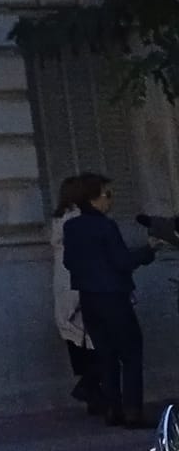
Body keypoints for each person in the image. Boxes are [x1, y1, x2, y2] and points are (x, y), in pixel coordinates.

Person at [62, 173, 158, 429]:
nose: (110, 200)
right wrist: (148, 251)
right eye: (107, 194)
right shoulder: (106, 226)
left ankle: (113, 409)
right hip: (113, 297)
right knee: (131, 353)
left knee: (106, 355)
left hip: (89, 298)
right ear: (93, 199)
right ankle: (132, 411)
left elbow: (69, 262)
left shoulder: (71, 227)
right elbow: (122, 261)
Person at [50, 174, 102, 415]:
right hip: (82, 289)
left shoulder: (59, 220)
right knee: (100, 348)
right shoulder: (80, 221)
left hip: (66, 291)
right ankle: (90, 390)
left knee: (82, 350)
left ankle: (94, 396)